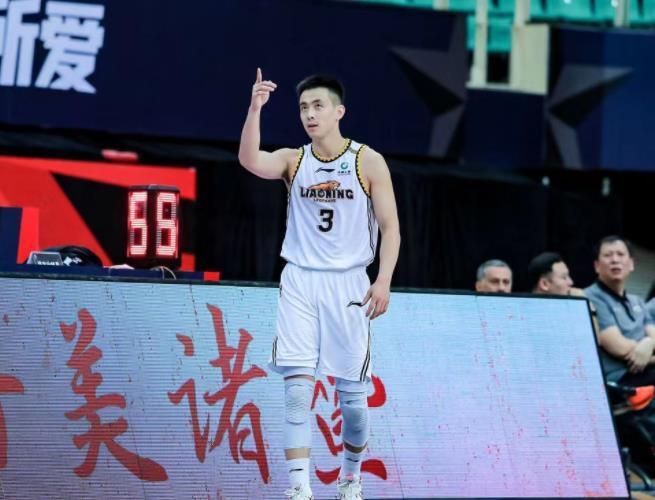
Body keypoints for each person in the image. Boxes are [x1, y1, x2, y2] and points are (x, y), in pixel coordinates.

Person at [238, 69, 401, 500]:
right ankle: (299, 488)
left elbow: (391, 227)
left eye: (317, 106)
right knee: (297, 392)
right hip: (300, 280)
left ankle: (350, 477)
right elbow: (250, 160)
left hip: (349, 285)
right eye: (303, 108)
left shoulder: (367, 161)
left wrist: (383, 280)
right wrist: (255, 109)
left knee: (353, 402)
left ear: (338, 111)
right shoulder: (294, 160)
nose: (309, 114)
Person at [584, 236, 655, 385]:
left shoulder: (637, 301)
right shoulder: (590, 297)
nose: (615, 260)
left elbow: (653, 334)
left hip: (647, 371)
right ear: (597, 266)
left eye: (620, 254)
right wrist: (648, 352)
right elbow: (618, 347)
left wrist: (649, 343)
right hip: (620, 378)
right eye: (608, 255)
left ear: (631, 264)